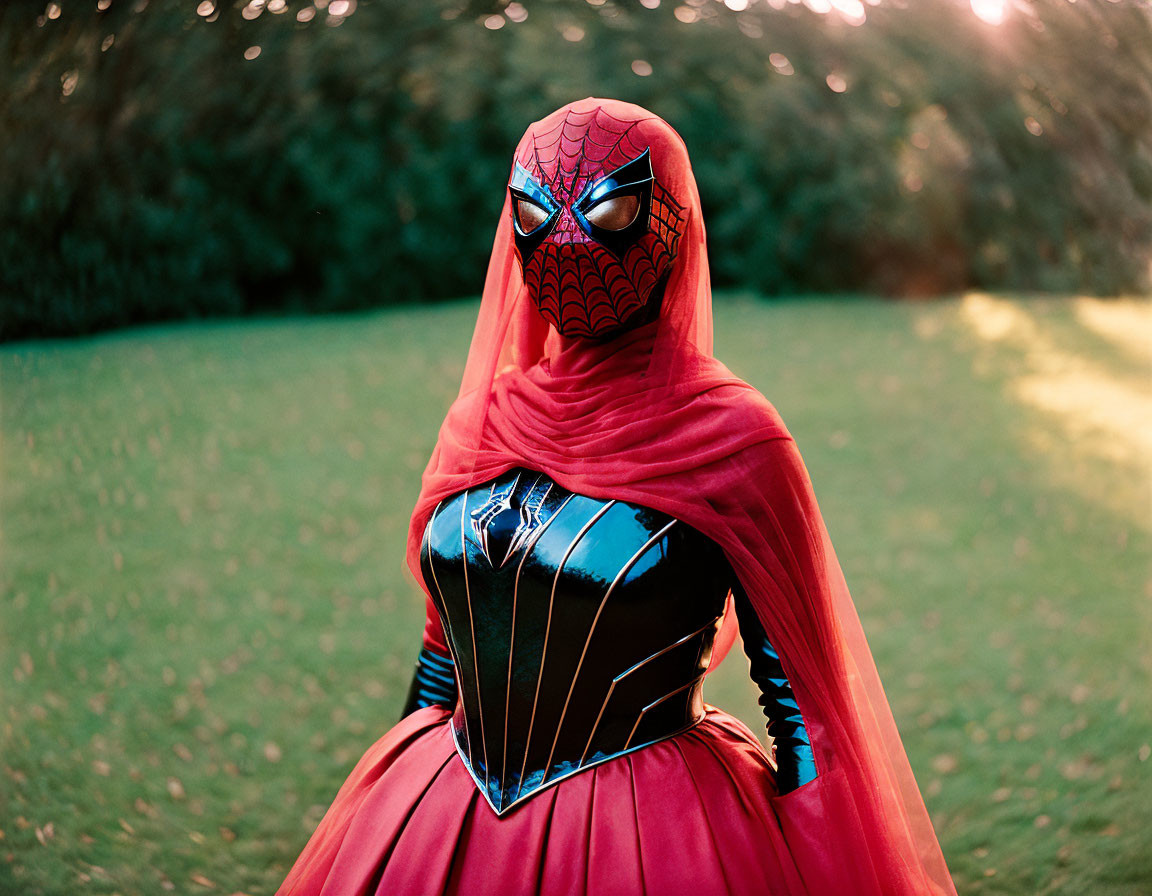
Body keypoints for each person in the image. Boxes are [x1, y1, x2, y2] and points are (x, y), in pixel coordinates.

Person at [277, 97, 956, 896]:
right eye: (535, 209)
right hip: (445, 806)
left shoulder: (731, 437)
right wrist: (380, 830)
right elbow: (441, 661)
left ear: (670, 226)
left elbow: (802, 709)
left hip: (651, 834)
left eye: (611, 208)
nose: (567, 238)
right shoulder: (480, 422)